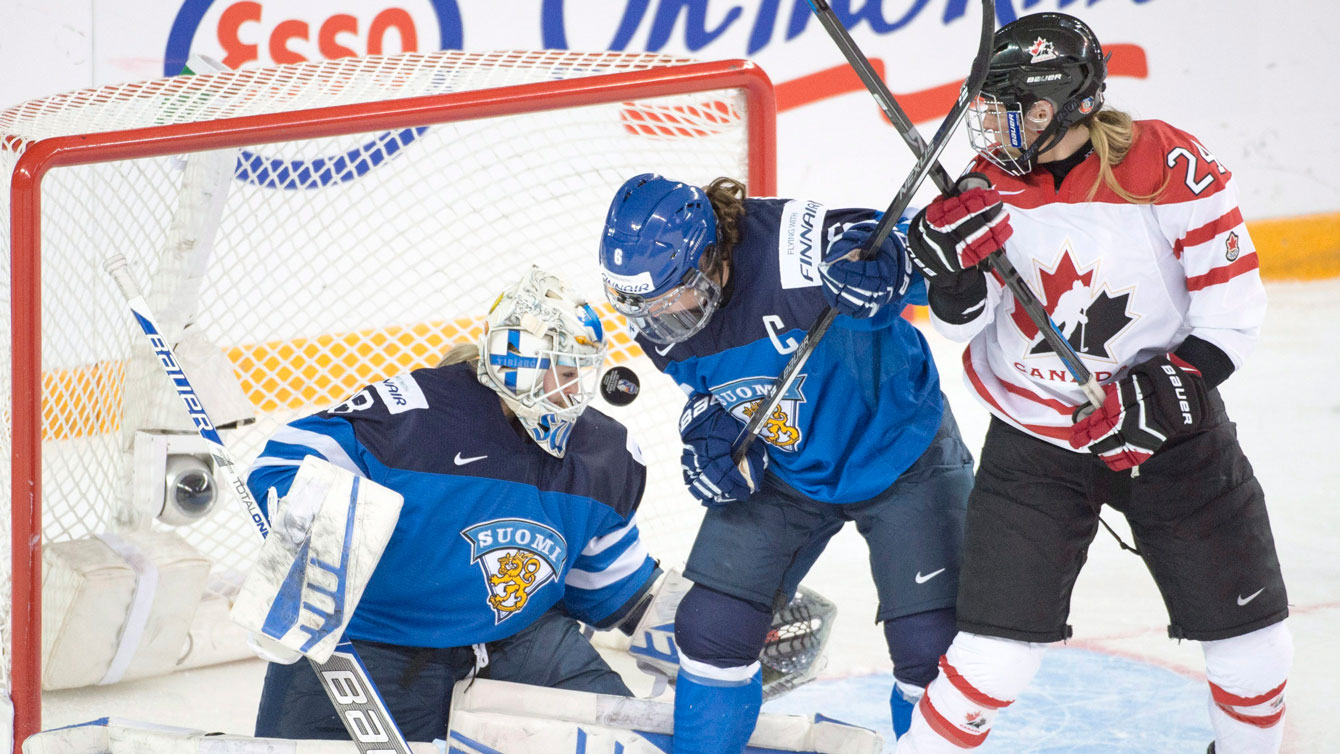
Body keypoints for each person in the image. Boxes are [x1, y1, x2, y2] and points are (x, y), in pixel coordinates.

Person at [896, 12, 1291, 754]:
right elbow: (962, 323)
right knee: (991, 656)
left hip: (1173, 440)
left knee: (1252, 645)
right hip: (1034, 441)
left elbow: (1233, 310)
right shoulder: (984, 187)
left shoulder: (1167, 168)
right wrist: (950, 277)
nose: (991, 129)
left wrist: (1176, 389)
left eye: (1011, 110)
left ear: (1064, 105)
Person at [597, 173, 975, 751]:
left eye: (671, 295)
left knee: (932, 648)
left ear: (710, 255)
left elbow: (922, 251)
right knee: (710, 629)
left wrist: (893, 263)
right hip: (788, 470)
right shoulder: (661, 320)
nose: (658, 319)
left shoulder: (793, 247)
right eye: (643, 305)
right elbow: (713, 387)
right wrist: (713, 431)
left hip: (902, 452)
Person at [244, 265, 660, 740]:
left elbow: (612, 586)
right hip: (382, 640)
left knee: (638, 741)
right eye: (563, 371)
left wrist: (707, 622)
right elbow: (286, 458)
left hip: (524, 642)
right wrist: (302, 535)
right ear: (516, 360)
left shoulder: (602, 452)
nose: (576, 391)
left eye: (580, 372)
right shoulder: (417, 414)